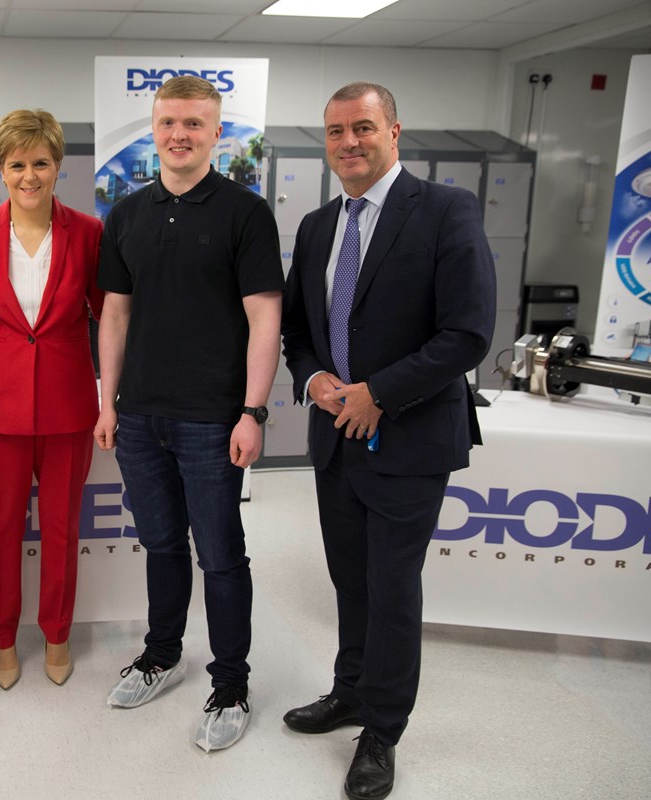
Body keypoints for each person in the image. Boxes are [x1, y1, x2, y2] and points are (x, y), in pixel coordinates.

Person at [280, 82, 495, 800]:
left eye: (363, 128)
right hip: (336, 436)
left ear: (394, 131)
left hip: (409, 438)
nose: (349, 142)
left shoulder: (444, 211)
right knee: (351, 579)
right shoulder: (316, 226)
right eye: (336, 130)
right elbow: (300, 333)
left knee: (393, 587)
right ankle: (350, 691)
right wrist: (314, 381)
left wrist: (380, 392)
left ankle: (382, 731)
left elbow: (466, 332)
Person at [94, 75, 283, 753]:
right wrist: (107, 400)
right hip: (140, 414)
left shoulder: (245, 212)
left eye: (195, 124)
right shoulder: (126, 214)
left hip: (212, 417)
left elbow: (266, 318)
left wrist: (252, 411)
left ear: (217, 133)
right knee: (162, 544)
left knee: (222, 555)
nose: (181, 134)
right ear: (153, 128)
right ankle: (161, 654)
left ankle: (230, 683)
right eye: (170, 122)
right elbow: (114, 314)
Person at [0, 109, 104, 689]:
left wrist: (113, 395)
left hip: (69, 407)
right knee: (0, 532)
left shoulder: (90, 232)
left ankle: (58, 634)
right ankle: (1, 640)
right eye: (17, 164)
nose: (29, 175)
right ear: (0, 169)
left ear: (57, 167)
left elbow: (109, 317)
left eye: (40, 163)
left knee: (64, 530)